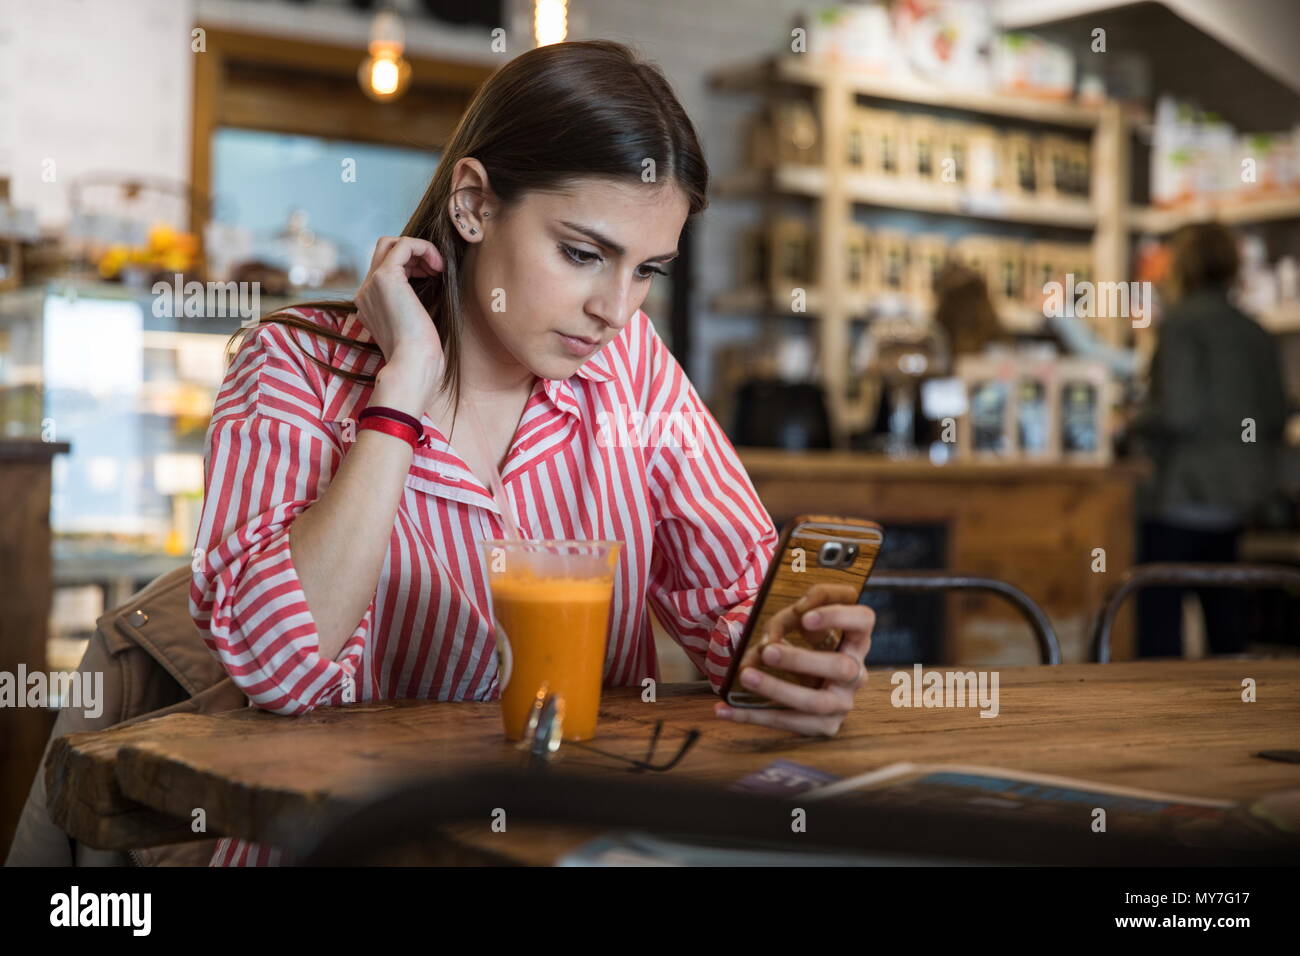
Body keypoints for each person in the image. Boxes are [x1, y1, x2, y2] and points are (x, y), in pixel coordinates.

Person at [191, 40, 877, 866]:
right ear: (474, 205)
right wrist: (402, 386)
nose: (615, 309)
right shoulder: (293, 367)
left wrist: (793, 669)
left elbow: (735, 602)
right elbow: (277, 668)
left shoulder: (631, 368)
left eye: (647, 270)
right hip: (348, 847)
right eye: (583, 254)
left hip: (560, 844)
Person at [1130, 221, 1289, 657]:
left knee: (1159, 634)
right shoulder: (1253, 331)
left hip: (1181, 495)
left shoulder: (1181, 324)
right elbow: (1277, 413)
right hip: (1236, 499)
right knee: (1227, 631)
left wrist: (1130, 421)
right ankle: (1233, 719)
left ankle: (1157, 722)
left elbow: (1179, 412)